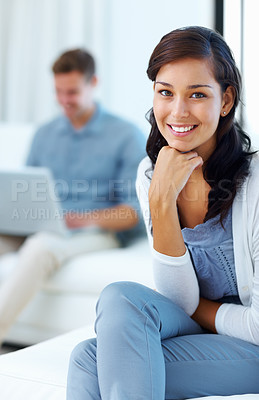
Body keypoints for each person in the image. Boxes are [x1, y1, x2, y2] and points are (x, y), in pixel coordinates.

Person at [66, 26, 259, 399]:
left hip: (251, 345)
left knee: (90, 363)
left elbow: (240, 321)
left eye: (197, 94)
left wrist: (195, 308)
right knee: (118, 300)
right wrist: (161, 200)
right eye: (165, 92)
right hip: (201, 328)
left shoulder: (254, 184)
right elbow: (177, 296)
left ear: (226, 100)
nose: (178, 111)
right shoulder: (152, 173)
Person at [0, 49, 146, 345]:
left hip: (98, 230)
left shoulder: (125, 135)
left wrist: (81, 220)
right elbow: (27, 190)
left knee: (41, 246)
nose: (64, 100)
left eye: (73, 92)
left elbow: (134, 211)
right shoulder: (46, 133)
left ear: (94, 83)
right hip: (42, 223)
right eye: (58, 92)